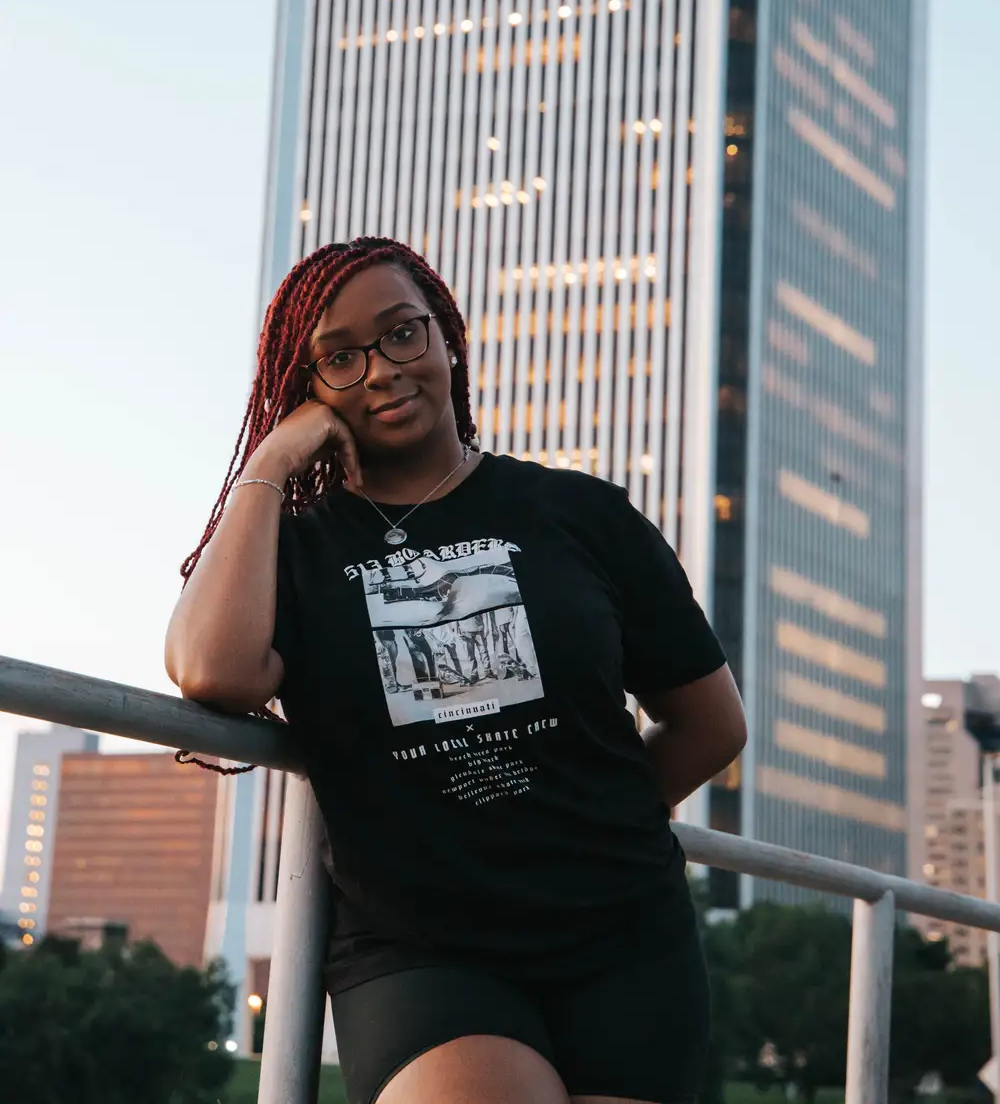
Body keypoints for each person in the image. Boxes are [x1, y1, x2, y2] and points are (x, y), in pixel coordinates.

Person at [165, 235, 747, 1104]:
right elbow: (212, 671)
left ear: (446, 338)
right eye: (340, 358)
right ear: (305, 387)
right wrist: (271, 462)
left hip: (624, 931)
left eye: (403, 334)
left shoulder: (578, 513)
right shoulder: (299, 551)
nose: (382, 371)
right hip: (422, 948)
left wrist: (593, 816)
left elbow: (712, 724)